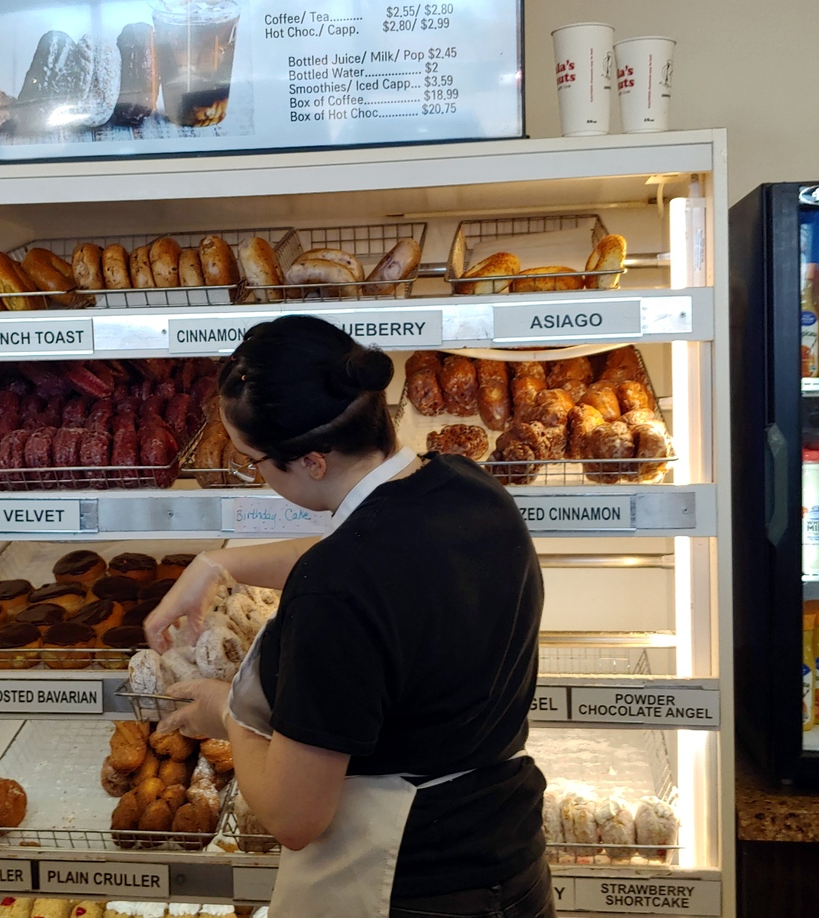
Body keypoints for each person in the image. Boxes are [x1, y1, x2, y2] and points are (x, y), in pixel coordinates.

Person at [144, 316, 550, 918]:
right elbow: (375, 561)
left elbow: (294, 816)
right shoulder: (469, 486)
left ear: (310, 460)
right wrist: (215, 564)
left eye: (253, 461)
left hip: (409, 885)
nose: (256, 475)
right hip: (511, 855)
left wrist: (228, 713)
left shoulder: (334, 592)